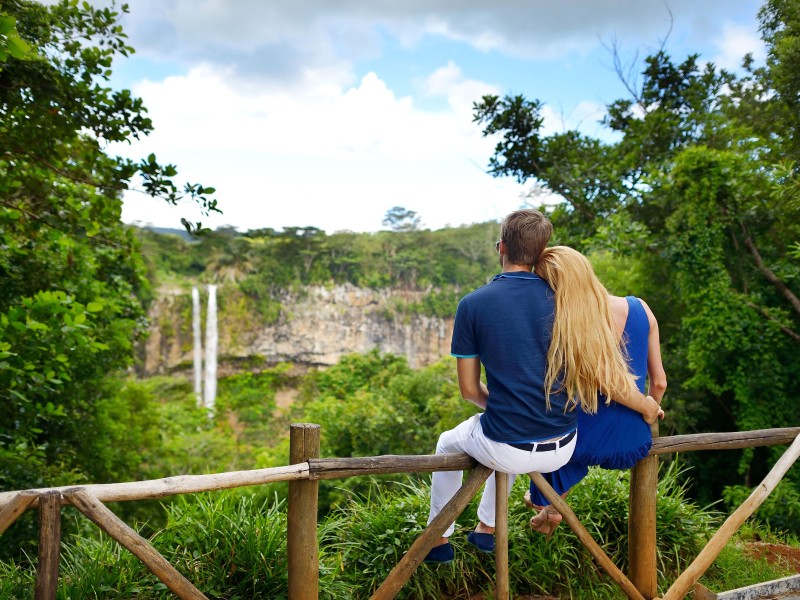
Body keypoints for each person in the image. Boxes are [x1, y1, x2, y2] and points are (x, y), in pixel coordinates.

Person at [424, 211, 661, 564]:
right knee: (503, 434)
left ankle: (438, 539)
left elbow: (470, 390)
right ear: (541, 251)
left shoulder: (473, 304)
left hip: (511, 445)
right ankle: (486, 528)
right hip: (564, 444)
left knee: (450, 442)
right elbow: (602, 370)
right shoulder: (566, 301)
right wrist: (646, 404)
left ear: (502, 247)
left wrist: (508, 407)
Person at [523, 246, 667, 537]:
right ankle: (551, 507)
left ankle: (546, 501)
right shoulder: (640, 308)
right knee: (568, 441)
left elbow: (606, 381)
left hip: (585, 440)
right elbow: (660, 383)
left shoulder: (570, 322)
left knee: (550, 439)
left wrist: (644, 406)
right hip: (635, 441)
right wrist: (648, 411)